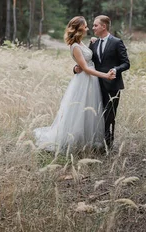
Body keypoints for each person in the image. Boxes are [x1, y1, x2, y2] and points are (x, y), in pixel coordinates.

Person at [34, 16, 116, 153]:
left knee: (90, 110)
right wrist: (106, 75)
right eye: (85, 26)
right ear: (80, 28)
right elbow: (86, 68)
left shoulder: (81, 43)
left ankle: (88, 140)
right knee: (80, 111)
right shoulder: (75, 46)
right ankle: (75, 140)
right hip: (84, 80)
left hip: (91, 81)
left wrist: (92, 43)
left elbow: (88, 57)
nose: (88, 28)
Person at [75, 15, 130, 151]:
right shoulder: (93, 43)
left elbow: (126, 63)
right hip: (94, 85)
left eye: (95, 25)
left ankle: (108, 145)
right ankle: (95, 142)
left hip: (112, 86)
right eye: (92, 25)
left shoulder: (117, 42)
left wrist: (116, 69)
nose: (93, 28)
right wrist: (75, 68)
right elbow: (85, 62)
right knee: (95, 115)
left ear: (103, 27)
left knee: (109, 115)